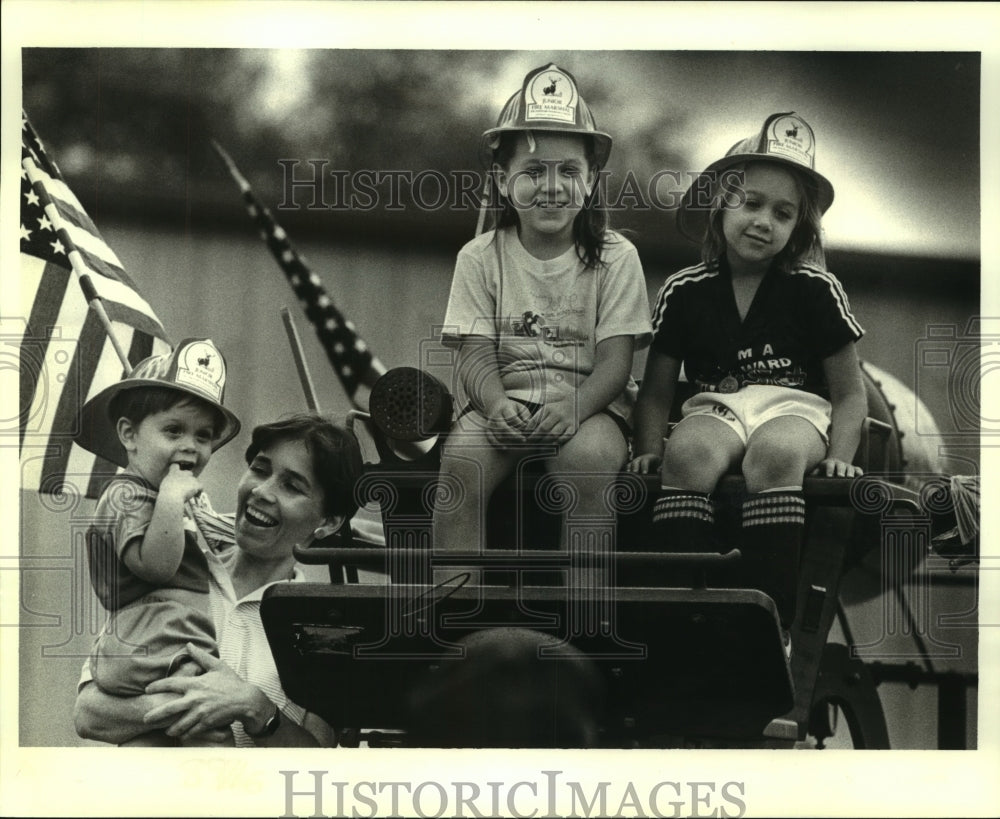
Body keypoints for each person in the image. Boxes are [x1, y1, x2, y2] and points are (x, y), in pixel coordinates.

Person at [626, 112, 867, 635]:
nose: (764, 222)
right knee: (685, 453)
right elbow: (657, 389)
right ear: (720, 205)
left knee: (776, 455)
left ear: (797, 227)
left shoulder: (815, 289)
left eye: (783, 214)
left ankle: (769, 623)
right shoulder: (685, 289)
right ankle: (683, 612)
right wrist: (648, 446)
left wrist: (842, 458)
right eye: (751, 204)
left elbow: (849, 394)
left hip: (794, 410)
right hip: (717, 407)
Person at [433, 63, 652, 559]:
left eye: (569, 171)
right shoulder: (480, 256)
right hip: (504, 399)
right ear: (502, 179)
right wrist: (495, 404)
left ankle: (584, 623)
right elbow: (474, 354)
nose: (551, 186)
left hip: (589, 403)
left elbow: (616, 364)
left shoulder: (616, 256)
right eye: (533, 171)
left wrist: (573, 409)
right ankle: (456, 618)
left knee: (592, 464)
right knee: (460, 466)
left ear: (592, 179)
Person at [74, 413, 364, 747]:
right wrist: (180, 708)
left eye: (292, 486)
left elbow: (318, 758)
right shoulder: (172, 566)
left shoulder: (323, 624)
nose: (262, 491)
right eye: (260, 469)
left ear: (327, 522)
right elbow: (88, 712)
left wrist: (254, 707)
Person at [74, 338, 242, 708]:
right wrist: (170, 498)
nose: (190, 446)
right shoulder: (126, 496)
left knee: (158, 740)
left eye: (203, 436)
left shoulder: (168, 499)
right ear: (129, 435)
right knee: (205, 719)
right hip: (156, 640)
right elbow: (158, 566)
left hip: (174, 638)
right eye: (173, 431)